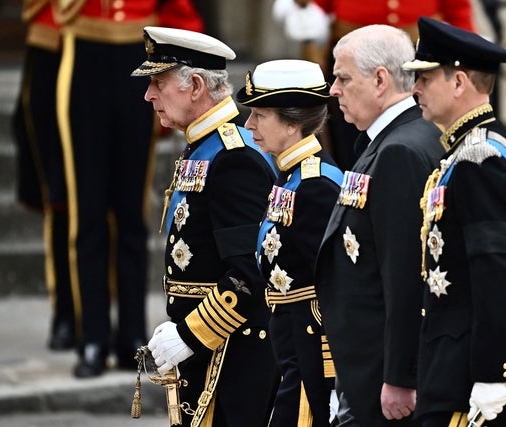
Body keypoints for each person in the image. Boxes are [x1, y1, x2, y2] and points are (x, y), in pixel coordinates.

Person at [401, 16, 506, 426]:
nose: (414, 89)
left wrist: (492, 373)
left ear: (458, 82)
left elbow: (496, 268)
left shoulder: (480, 160)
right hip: (453, 362)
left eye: (425, 79)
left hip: (469, 374)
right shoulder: (473, 150)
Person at [132, 26, 280, 426]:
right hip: (210, 352)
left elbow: (250, 274)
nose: (149, 95)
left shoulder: (233, 157)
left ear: (195, 85)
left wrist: (189, 333)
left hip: (233, 358)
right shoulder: (204, 145)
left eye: (158, 83)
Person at [54, 0, 204, 378]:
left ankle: (133, 334)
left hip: (139, 56)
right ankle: (92, 337)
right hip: (85, 54)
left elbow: (177, 11)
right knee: (88, 212)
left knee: (132, 213)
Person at [314, 24, 444, 426]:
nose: (333, 89)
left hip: (382, 378)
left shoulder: (400, 150)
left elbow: (405, 273)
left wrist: (399, 377)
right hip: (367, 368)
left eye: (343, 78)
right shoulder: (394, 139)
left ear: (381, 80)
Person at [236, 59, 343, 426]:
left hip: (311, 360)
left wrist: (331, 382)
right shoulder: (290, 176)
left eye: (260, 115)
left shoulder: (315, 186)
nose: (248, 126)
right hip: (290, 352)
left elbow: (332, 291)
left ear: (293, 123)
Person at [271, 0, 475, 173]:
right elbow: (314, 8)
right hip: (354, 60)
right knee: (351, 138)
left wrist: (464, 60)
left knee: (420, 132)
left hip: (417, 61)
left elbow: (458, 13)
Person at [12, 0, 75, 351]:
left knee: (118, 204)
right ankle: (67, 311)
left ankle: (113, 317)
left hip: (120, 42)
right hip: (55, 41)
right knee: (60, 196)